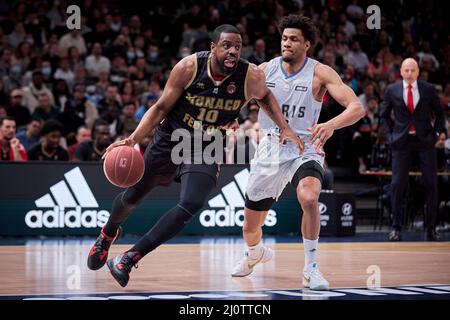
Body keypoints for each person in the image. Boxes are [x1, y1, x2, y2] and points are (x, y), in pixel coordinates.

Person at [86, 24, 303, 287]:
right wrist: (134, 138)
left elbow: (266, 99)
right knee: (133, 196)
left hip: (207, 143)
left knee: (191, 203)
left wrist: (286, 128)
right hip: (172, 136)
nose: (233, 51)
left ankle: (129, 258)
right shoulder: (188, 68)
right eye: (227, 45)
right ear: (213, 48)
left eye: (237, 46)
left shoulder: (250, 76)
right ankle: (109, 233)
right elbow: (161, 107)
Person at [231, 15, 365, 291]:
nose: (287, 43)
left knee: (309, 196)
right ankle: (255, 253)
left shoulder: (321, 72)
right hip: (270, 148)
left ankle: (311, 268)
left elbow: (357, 108)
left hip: (305, 147)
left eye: (293, 39)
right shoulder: (265, 69)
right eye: (284, 38)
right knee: (250, 228)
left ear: (307, 45)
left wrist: (331, 124)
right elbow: (236, 100)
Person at [380, 58, 446, 242]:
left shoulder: (428, 89)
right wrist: (390, 136)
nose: (409, 73)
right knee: (398, 185)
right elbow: (383, 116)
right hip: (401, 142)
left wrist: (436, 133)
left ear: (418, 72)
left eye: (412, 70)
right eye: (406, 70)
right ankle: (395, 227)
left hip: (425, 142)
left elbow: (440, 114)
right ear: (401, 72)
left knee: (431, 185)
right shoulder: (392, 90)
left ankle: (432, 228)